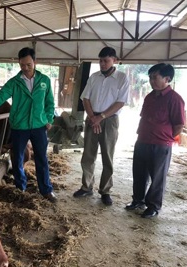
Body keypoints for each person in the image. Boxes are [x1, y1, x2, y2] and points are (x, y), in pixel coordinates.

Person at [0, 47, 57, 203]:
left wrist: (49, 119)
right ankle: (21, 189)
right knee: (17, 159)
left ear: (35, 62)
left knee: (41, 158)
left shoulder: (44, 81)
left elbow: (50, 103)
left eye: (28, 65)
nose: (25, 68)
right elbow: (0, 97)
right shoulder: (14, 82)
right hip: (19, 127)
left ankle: (46, 190)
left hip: (39, 126)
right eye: (22, 65)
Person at [125, 63, 185, 218]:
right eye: (150, 77)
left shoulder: (175, 99)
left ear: (167, 78)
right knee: (139, 173)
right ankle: (138, 200)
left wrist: (166, 138)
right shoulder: (150, 97)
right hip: (143, 140)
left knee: (157, 177)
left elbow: (179, 124)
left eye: (155, 77)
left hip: (160, 144)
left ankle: (153, 206)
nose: (151, 81)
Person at [73, 47, 130, 205]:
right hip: (92, 117)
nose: (102, 64)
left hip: (110, 120)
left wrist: (101, 117)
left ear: (114, 60)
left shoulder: (121, 78)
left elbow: (120, 102)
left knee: (107, 156)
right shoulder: (94, 77)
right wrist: (93, 117)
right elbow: (85, 98)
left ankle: (105, 190)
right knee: (88, 155)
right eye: (100, 60)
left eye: (106, 60)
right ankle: (86, 187)